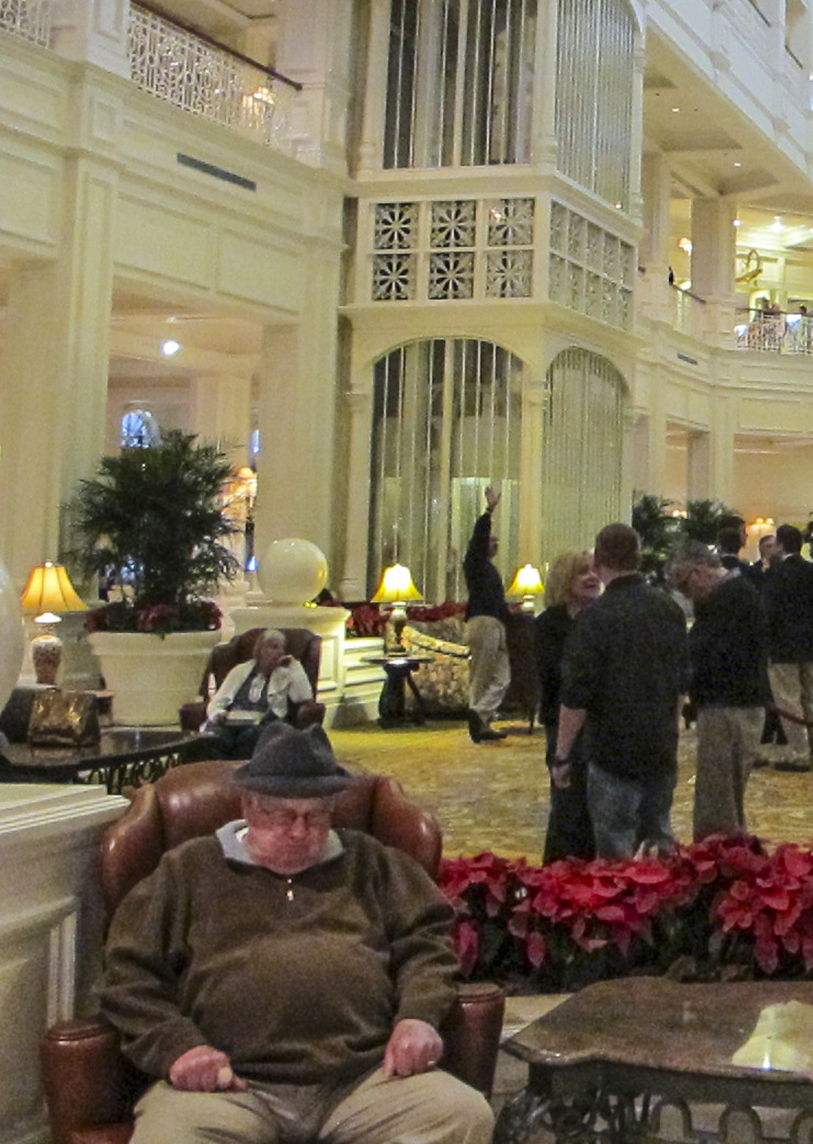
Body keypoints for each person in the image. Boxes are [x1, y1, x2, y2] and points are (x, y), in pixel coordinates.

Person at [100, 723, 492, 1144]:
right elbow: (128, 976)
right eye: (283, 815)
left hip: (365, 1078)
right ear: (248, 805)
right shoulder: (187, 870)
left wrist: (417, 1016)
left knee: (463, 1115)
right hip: (228, 1086)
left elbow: (427, 945)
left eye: (316, 815)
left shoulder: (373, 863)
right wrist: (178, 1047)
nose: (300, 831)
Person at [552, 523, 688, 857]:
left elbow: (577, 696)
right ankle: (662, 907)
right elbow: (680, 682)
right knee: (659, 842)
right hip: (660, 746)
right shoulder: (669, 609)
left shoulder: (595, 617)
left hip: (613, 751)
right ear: (639, 558)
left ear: (599, 561)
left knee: (615, 851)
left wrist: (561, 755)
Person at [676, 550, 772, 837]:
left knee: (718, 794)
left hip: (730, 703)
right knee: (727, 793)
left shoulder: (732, 597)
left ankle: (716, 859)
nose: (687, 595)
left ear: (698, 573)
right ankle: (729, 851)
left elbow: (713, 651)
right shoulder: (733, 593)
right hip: (737, 701)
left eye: (684, 586)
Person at [533, 551, 602, 861]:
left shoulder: (605, 617)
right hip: (561, 721)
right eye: (581, 572)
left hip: (601, 723)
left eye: (593, 571)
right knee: (567, 805)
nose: (591, 577)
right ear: (564, 579)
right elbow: (555, 675)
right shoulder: (548, 624)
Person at [763, 524, 813, 769]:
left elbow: (769, 613)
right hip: (811, 644)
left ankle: (800, 752)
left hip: (783, 647)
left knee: (789, 701)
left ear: (781, 544)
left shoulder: (775, 573)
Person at [201, 629, 317, 759]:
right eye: (274, 647)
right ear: (260, 650)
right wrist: (217, 714)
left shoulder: (285, 674)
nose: (280, 652)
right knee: (213, 737)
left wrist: (295, 666)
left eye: (282, 648)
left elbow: (304, 697)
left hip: (266, 722)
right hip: (233, 721)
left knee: (250, 737)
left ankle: (240, 776)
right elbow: (218, 701)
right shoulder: (240, 670)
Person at [461, 484, 509, 743]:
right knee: (481, 676)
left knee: (503, 676)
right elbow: (478, 536)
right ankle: (480, 724)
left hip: (497, 624)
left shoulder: (489, 569)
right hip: (483, 623)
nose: (496, 542)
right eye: (492, 539)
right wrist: (489, 510)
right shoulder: (475, 563)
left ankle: (479, 715)